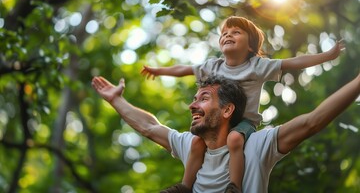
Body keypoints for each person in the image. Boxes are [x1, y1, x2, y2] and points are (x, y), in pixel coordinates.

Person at [140, 16, 345, 192]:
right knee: (196, 143)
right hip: (220, 121)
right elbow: (183, 69)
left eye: (236, 32)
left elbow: (294, 62)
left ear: (249, 46)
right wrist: (159, 71)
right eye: (224, 33)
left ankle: (234, 187)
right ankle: (185, 187)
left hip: (244, 122)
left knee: (235, 138)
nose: (228, 35)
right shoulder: (213, 66)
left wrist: (328, 55)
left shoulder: (257, 66)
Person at [91, 73, 360, 192]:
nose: (192, 105)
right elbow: (149, 126)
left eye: (204, 98)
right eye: (195, 98)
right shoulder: (191, 146)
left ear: (228, 110)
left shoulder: (257, 146)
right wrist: (116, 100)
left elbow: (313, 121)